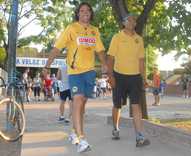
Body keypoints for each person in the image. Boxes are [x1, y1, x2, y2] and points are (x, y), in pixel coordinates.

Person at [42, 2, 107, 153]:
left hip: (90, 72)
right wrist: (47, 66)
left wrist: (104, 64)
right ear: (78, 14)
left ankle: (73, 132)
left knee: (82, 106)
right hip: (75, 72)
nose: (85, 13)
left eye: (88, 11)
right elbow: (57, 48)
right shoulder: (71, 28)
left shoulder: (94, 31)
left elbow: (100, 50)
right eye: (82, 11)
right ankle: (81, 139)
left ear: (91, 14)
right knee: (77, 101)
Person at [107, 13, 150, 147]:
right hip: (119, 76)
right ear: (124, 23)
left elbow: (141, 60)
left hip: (135, 77)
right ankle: (115, 128)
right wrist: (111, 77)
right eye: (130, 20)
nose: (133, 22)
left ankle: (139, 137)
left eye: (134, 21)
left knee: (136, 105)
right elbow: (111, 58)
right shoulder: (117, 37)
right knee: (117, 105)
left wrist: (143, 78)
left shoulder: (139, 39)